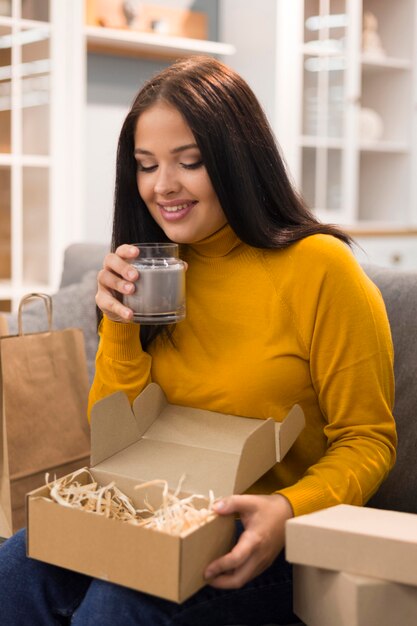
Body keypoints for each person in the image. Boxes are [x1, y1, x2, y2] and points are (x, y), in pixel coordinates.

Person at [0, 56, 396, 626]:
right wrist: (119, 326)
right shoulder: (156, 269)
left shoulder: (320, 270)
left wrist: (286, 509)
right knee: (16, 569)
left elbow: (369, 439)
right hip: (159, 515)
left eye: (190, 162)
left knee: (118, 604)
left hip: (277, 540)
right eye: (145, 165)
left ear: (239, 161)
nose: (163, 187)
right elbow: (115, 444)